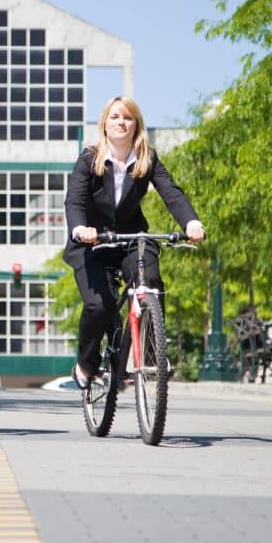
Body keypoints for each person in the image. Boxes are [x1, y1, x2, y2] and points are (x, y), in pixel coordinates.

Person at [63, 96, 205, 388]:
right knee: (100, 306)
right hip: (93, 242)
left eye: (127, 118)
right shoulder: (89, 158)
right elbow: (74, 200)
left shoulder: (147, 158)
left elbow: (171, 192)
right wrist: (80, 229)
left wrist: (191, 222)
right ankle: (86, 363)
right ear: (105, 123)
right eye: (114, 117)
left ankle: (153, 354)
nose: (120, 123)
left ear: (136, 124)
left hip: (131, 238)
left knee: (150, 280)